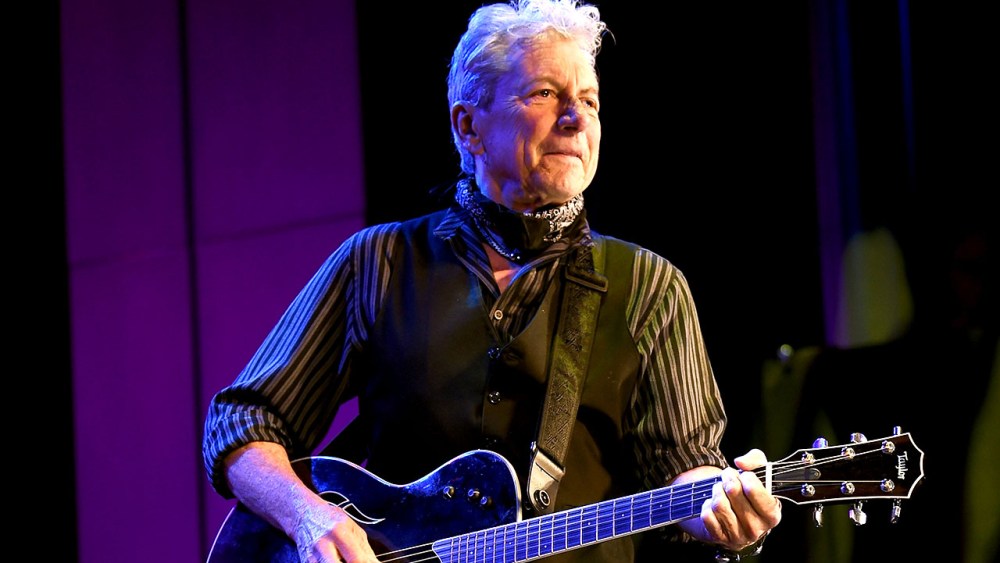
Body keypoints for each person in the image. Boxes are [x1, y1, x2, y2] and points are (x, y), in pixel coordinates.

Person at [202, 1, 783, 561]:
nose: (576, 118)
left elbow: (685, 471)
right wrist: (309, 517)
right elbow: (241, 424)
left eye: (589, 100)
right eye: (545, 94)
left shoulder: (651, 286)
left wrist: (726, 509)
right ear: (468, 127)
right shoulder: (379, 261)